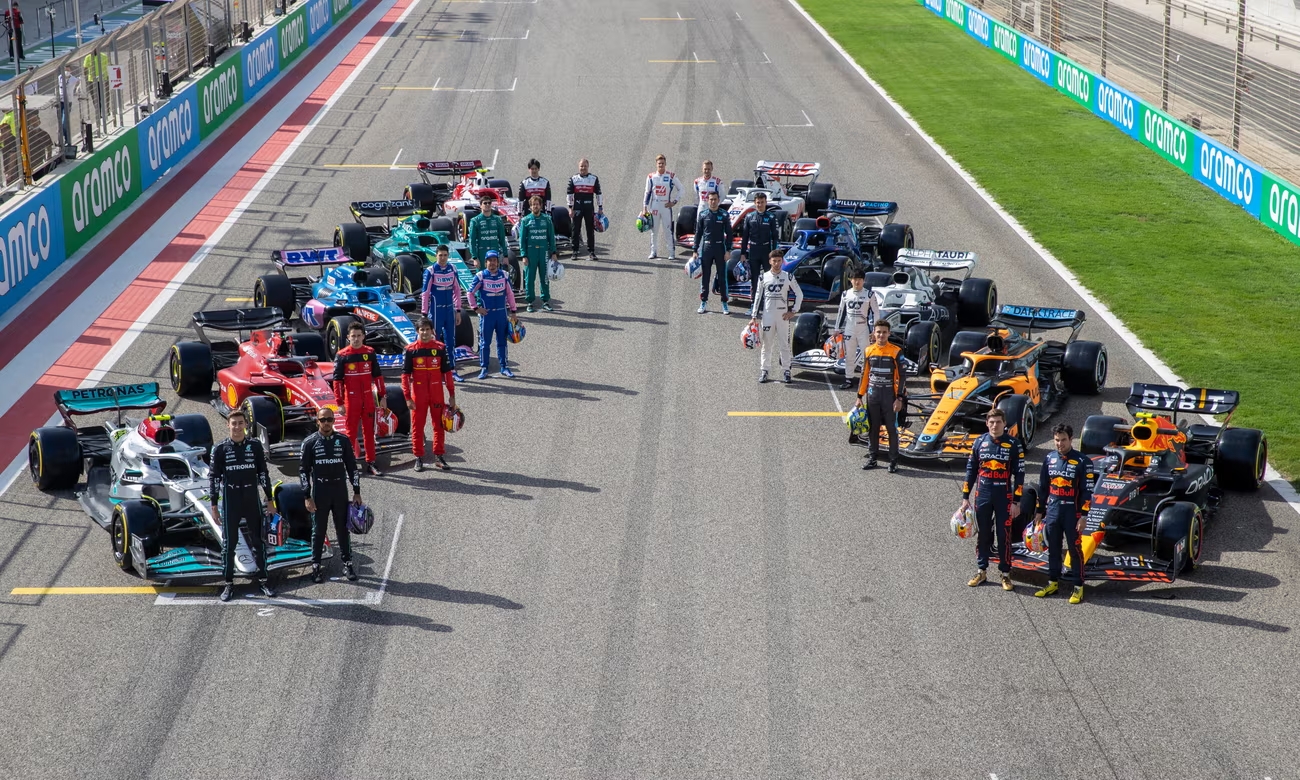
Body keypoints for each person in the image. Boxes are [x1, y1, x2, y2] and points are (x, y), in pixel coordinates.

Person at [209, 410, 275, 602]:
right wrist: (214, 505)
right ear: (227, 426)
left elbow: (263, 473)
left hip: (251, 499)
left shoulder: (255, 446)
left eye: (240, 423)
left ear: (246, 425)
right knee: (229, 544)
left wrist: (270, 500)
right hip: (231, 500)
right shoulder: (220, 449)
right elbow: (213, 478)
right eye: (233, 424)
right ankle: (228, 584)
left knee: (259, 540)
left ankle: (263, 579)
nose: (237, 427)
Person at [961, 408, 1025, 591]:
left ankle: (1005, 574)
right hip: (982, 494)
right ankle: (981, 570)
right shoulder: (979, 442)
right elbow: (970, 470)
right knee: (983, 534)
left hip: (1004, 496)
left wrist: (1016, 501)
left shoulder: (1014, 444)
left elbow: (1020, 474)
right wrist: (965, 497)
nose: (995, 425)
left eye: (998, 422)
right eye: (991, 422)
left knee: (1003, 535)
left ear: (1004, 424)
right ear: (986, 423)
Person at [1033, 424, 1094, 604]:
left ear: (1071, 439)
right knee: (1053, 550)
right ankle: (1052, 582)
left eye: (1063, 440)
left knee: (1075, 550)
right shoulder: (1049, 458)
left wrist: (1084, 516)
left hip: (1073, 514)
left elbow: (1087, 492)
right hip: (1052, 512)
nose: (1060, 444)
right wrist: (1039, 511)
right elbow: (1043, 487)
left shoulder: (1083, 462)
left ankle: (1078, 587)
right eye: (1057, 440)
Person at [299, 408, 362, 583]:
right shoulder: (309, 443)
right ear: (317, 421)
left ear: (334, 421)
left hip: (340, 490)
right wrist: (307, 496)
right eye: (323, 419)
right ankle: (316, 566)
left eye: (329, 419)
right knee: (318, 530)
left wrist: (357, 491)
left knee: (343, 529)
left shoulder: (342, 441)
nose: (326, 423)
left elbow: (352, 468)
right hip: (320, 491)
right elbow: (303, 471)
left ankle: (347, 563)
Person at [402, 317, 457, 472]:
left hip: (436, 393)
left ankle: (439, 456)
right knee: (417, 427)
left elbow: (447, 373)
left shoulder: (440, 348)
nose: (425, 333)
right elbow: (405, 376)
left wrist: (452, 394)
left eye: (427, 329)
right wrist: (407, 397)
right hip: (418, 395)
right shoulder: (411, 350)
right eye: (422, 330)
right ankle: (418, 457)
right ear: (417, 332)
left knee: (439, 425)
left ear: (432, 331)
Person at [332, 321, 386, 476]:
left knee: (369, 432)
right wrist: (339, 402)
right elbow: (337, 381)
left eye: (358, 336)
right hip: (351, 400)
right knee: (350, 432)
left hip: (368, 399)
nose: (356, 339)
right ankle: (350, 463)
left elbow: (378, 376)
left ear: (363, 336)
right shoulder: (342, 355)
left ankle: (371, 463)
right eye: (353, 336)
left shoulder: (369, 352)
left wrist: (382, 396)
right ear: (348, 337)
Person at [854, 321, 907, 472]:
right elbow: (864, 375)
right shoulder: (868, 350)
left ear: (889, 333)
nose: (881, 335)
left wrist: (899, 398)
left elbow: (902, 377)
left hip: (889, 396)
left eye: (884, 332)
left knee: (891, 429)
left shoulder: (896, 351)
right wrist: (859, 396)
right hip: (873, 395)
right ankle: (873, 459)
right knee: (873, 428)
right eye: (878, 332)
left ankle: (893, 461)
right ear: (874, 333)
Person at [750, 249, 803, 384]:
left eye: (779, 261)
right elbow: (757, 296)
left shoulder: (788, 277)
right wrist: (753, 316)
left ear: (782, 261)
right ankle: (764, 370)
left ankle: (786, 371)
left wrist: (794, 311)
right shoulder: (763, 277)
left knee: (784, 345)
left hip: (783, 317)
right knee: (766, 345)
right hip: (767, 316)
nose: (777, 263)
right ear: (770, 261)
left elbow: (800, 294)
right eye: (774, 261)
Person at [468, 250, 519, 379]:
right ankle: (484, 368)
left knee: (502, 342)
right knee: (485, 343)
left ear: (498, 262)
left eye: (494, 260)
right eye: (490, 261)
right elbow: (470, 293)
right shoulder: (481, 276)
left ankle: (504, 367)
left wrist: (513, 312)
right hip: (487, 316)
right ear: (486, 263)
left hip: (502, 314)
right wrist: (476, 308)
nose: (492, 263)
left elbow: (510, 294)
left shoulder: (505, 275)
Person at [419, 244, 466, 383]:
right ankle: (436, 370)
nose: (443, 258)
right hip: (436, 311)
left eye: (445, 255)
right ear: (436, 255)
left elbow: (457, 291)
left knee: (451, 341)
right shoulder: (431, 271)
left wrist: (458, 310)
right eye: (440, 255)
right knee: (435, 342)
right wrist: (424, 314)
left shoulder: (453, 269)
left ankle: (452, 369)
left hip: (449, 311)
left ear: (448, 256)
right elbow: (425, 293)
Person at [834, 268, 878, 390]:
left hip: (863, 329)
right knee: (849, 356)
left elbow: (876, 313)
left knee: (867, 355)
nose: (857, 282)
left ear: (864, 281)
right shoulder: (845, 294)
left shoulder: (869, 294)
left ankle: (868, 380)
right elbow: (840, 312)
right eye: (854, 279)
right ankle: (848, 379)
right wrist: (836, 328)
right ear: (850, 280)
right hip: (849, 329)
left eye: (859, 280)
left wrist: (875, 330)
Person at [693, 191, 733, 314]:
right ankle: (703, 302)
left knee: (722, 277)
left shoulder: (724, 214)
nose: (713, 201)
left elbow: (729, 234)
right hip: (706, 248)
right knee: (705, 277)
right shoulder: (703, 214)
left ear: (718, 200)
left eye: (715, 199)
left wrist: (728, 250)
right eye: (711, 199)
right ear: (707, 200)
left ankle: (724, 303)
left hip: (720, 248)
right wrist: (695, 250)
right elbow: (698, 233)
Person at [518, 195, 557, 312]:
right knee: (529, 278)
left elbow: (551, 237)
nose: (535, 206)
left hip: (544, 251)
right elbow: (522, 240)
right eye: (533, 204)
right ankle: (530, 302)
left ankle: (545, 301)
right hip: (531, 252)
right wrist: (523, 255)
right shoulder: (525, 220)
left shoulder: (547, 219)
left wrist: (553, 252)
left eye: (537, 204)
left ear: (541, 206)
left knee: (545, 277)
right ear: (530, 207)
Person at [738, 191, 783, 291]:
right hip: (753, 250)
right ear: (755, 203)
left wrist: (774, 253)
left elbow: (775, 237)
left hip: (766, 251)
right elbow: (745, 237)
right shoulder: (749, 217)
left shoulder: (771, 217)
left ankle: (768, 301)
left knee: (769, 276)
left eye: (762, 202)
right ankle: (754, 302)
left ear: (766, 202)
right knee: (755, 278)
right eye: (758, 202)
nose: (760, 205)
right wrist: (743, 253)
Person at [643, 153, 681, 260]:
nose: (661, 165)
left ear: (665, 164)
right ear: (656, 164)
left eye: (662, 163)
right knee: (654, 230)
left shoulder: (671, 176)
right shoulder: (651, 177)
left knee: (668, 230)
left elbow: (681, 189)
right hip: (654, 205)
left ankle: (671, 252)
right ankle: (653, 251)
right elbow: (647, 192)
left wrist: (674, 202)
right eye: (659, 163)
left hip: (666, 206)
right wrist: (644, 207)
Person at [566, 158, 602, 260]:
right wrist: (570, 208)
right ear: (578, 167)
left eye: (585, 166)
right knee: (575, 230)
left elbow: (599, 193)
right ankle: (575, 251)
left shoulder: (594, 179)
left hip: (589, 208)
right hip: (577, 208)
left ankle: (591, 252)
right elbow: (569, 194)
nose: (583, 168)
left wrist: (600, 207)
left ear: (588, 167)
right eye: (581, 166)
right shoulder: (573, 179)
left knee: (590, 230)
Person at [468, 193, 509, 271]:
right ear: (480, 205)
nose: (487, 205)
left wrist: (505, 256)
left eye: (489, 203)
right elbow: (472, 241)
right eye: (485, 203)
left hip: (495, 252)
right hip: (482, 252)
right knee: (482, 277)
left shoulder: (497, 219)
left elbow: (502, 239)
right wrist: (475, 258)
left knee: (495, 276)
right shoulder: (475, 221)